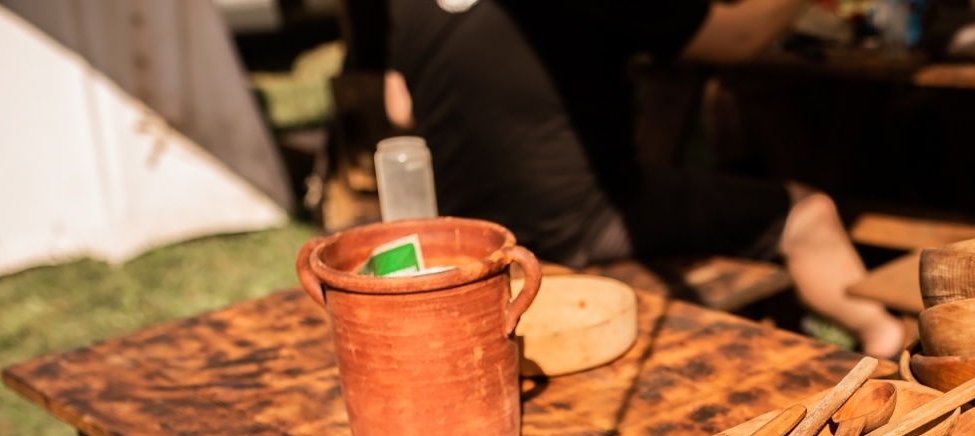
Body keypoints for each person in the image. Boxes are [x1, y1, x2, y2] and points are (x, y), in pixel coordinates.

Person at [386, 0, 906, 359]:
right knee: (807, 212)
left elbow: (400, 104)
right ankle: (885, 339)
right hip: (581, 222)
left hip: (472, 228)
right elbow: (739, 35)